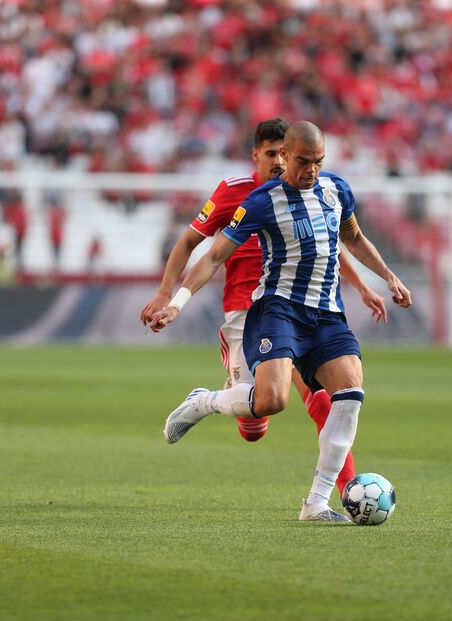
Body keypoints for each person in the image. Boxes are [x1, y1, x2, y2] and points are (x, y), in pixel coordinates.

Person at [147, 121, 412, 522]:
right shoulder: (258, 201)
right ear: (284, 156)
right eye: (303, 161)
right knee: (267, 407)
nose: (311, 170)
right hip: (276, 311)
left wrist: (385, 277)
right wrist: (175, 301)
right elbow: (212, 255)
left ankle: (318, 502)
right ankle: (203, 401)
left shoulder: (336, 189)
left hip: (325, 314)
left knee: (347, 394)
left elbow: (346, 240)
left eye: (318, 161)